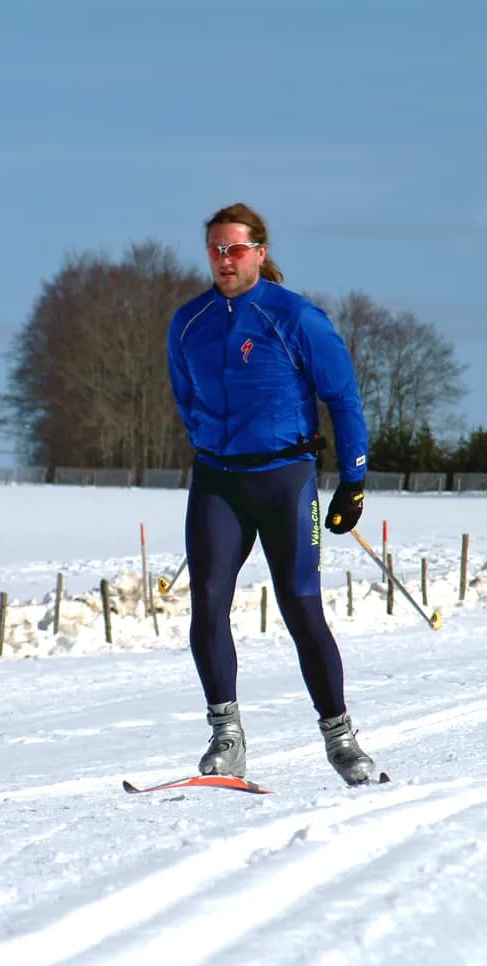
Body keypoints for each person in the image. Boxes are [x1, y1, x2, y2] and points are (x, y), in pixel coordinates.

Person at [165, 202, 377, 785]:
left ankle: (342, 739)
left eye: (234, 249)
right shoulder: (189, 323)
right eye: (214, 249)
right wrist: (213, 443)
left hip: (287, 479)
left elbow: (343, 398)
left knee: (300, 604)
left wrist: (353, 479)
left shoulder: (296, 317)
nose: (224, 259)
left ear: (259, 251)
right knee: (206, 601)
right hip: (218, 481)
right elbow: (186, 399)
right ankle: (226, 737)